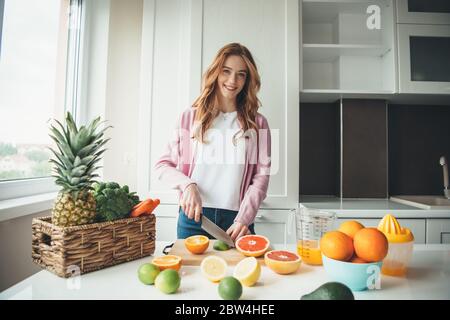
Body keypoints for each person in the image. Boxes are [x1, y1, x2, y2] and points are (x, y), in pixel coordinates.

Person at [154, 43, 271, 242]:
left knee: (238, 273)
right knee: (191, 273)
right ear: (216, 72)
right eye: (226, 71)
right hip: (194, 218)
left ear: (247, 80)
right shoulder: (190, 117)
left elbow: (261, 177)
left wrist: (245, 218)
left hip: (239, 221)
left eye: (241, 74)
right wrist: (188, 185)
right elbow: (163, 166)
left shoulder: (258, 123)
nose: (232, 80)